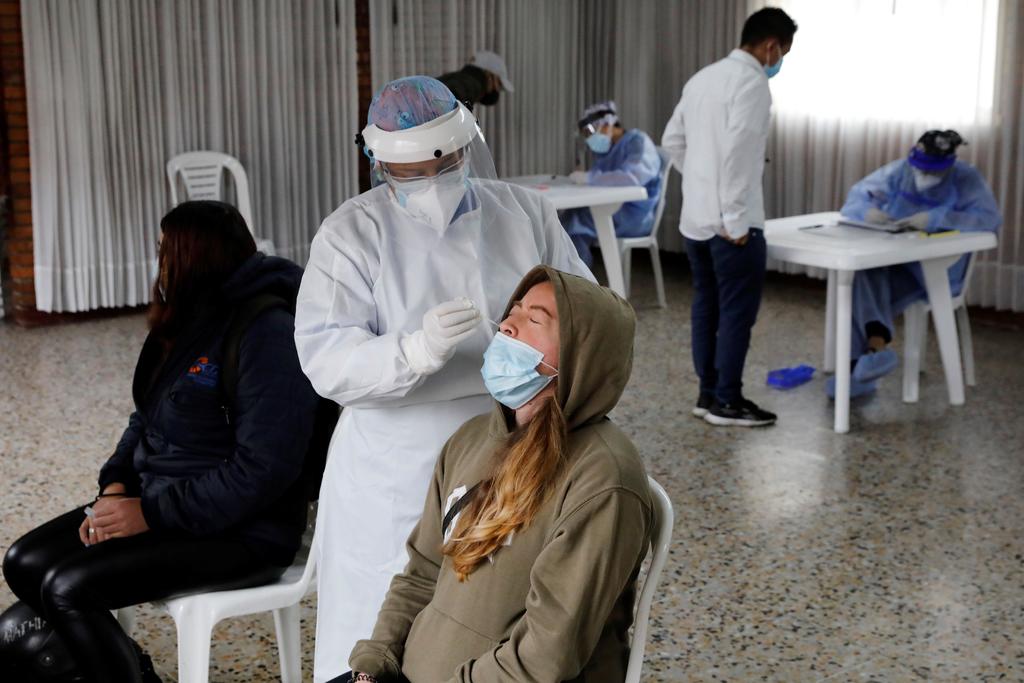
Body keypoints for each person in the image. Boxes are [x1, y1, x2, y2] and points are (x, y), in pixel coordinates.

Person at [295, 76, 592, 682]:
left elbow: (586, 308)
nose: (432, 183)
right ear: (380, 165)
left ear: (467, 146)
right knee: (383, 617)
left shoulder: (525, 212)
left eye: (446, 163)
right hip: (394, 465)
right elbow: (324, 358)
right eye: (411, 173)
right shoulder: (352, 233)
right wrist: (412, 351)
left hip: (511, 444)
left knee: (491, 619)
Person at [1, 201, 319, 683]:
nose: (160, 263)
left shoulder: (267, 332)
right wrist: (115, 486)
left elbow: (263, 470)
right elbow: (146, 418)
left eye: (164, 251)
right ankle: (125, 668)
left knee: (68, 589)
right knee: (25, 562)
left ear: (193, 257)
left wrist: (149, 514)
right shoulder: (192, 315)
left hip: (243, 532)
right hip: (163, 501)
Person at [337, 266, 653, 683]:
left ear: (582, 356)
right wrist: (373, 665)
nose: (507, 325)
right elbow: (422, 572)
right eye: (513, 310)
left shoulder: (604, 482)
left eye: (534, 319)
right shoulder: (471, 440)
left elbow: (545, 655)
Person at [661, 7, 797, 428]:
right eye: (784, 52)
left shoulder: (703, 78)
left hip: (695, 221)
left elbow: (672, 141)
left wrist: (701, 180)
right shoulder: (752, 84)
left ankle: (708, 395)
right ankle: (728, 401)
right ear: (771, 46)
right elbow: (739, 155)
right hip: (731, 226)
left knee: (706, 307)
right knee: (736, 313)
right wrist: (734, 218)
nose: (779, 62)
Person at [832, 130, 1001, 397]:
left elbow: (988, 219)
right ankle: (873, 351)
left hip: (936, 269)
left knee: (861, 295)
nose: (923, 175)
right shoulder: (900, 171)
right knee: (862, 276)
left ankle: (859, 365)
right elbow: (858, 196)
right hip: (895, 258)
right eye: (920, 168)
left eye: (932, 170)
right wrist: (868, 212)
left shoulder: (966, 178)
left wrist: (936, 218)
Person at [560, 100, 663, 267]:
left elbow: (632, 178)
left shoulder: (637, 141)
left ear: (607, 124)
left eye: (590, 132)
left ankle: (575, 277)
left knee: (573, 223)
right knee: (568, 218)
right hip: (614, 208)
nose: (589, 138)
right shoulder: (607, 150)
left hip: (634, 214)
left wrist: (589, 178)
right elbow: (603, 181)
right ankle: (572, 274)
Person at [438, 50, 514, 111]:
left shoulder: (458, 77)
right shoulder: (472, 86)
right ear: (489, 75)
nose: (497, 89)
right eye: (499, 83)